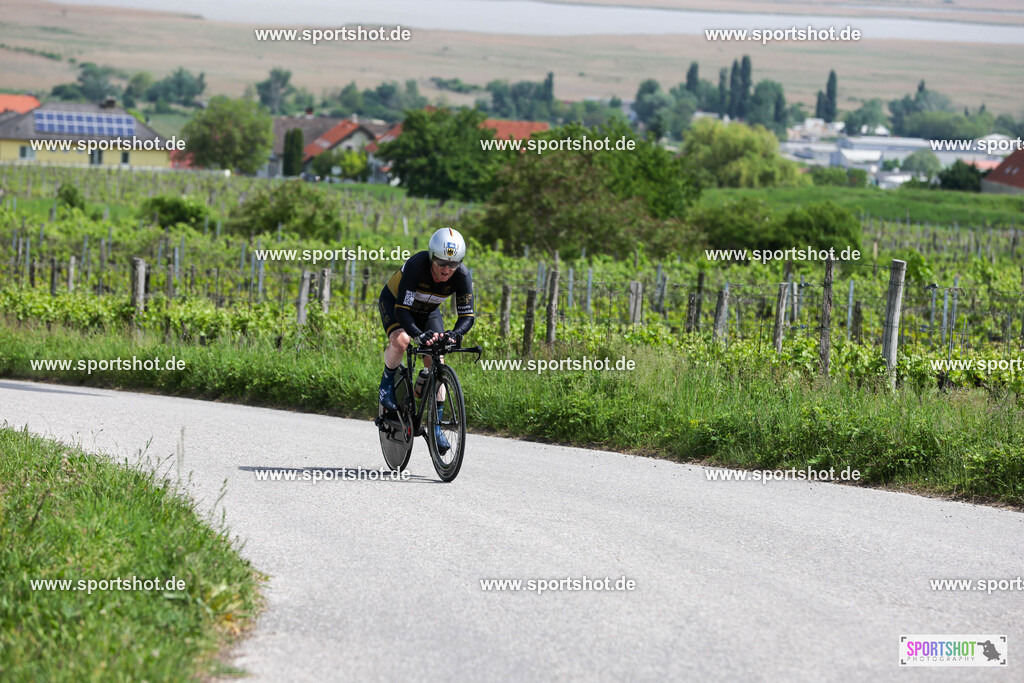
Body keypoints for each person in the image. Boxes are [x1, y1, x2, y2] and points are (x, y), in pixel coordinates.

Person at [377, 227, 474, 453]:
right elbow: (402, 311)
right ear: (431, 257)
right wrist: (418, 335)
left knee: (437, 357)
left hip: (428, 311)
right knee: (401, 340)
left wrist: (455, 334)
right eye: (441, 263)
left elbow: (467, 317)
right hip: (397, 305)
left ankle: (436, 425)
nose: (446, 269)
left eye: (453, 264)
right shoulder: (416, 266)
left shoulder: (462, 276)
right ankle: (386, 384)